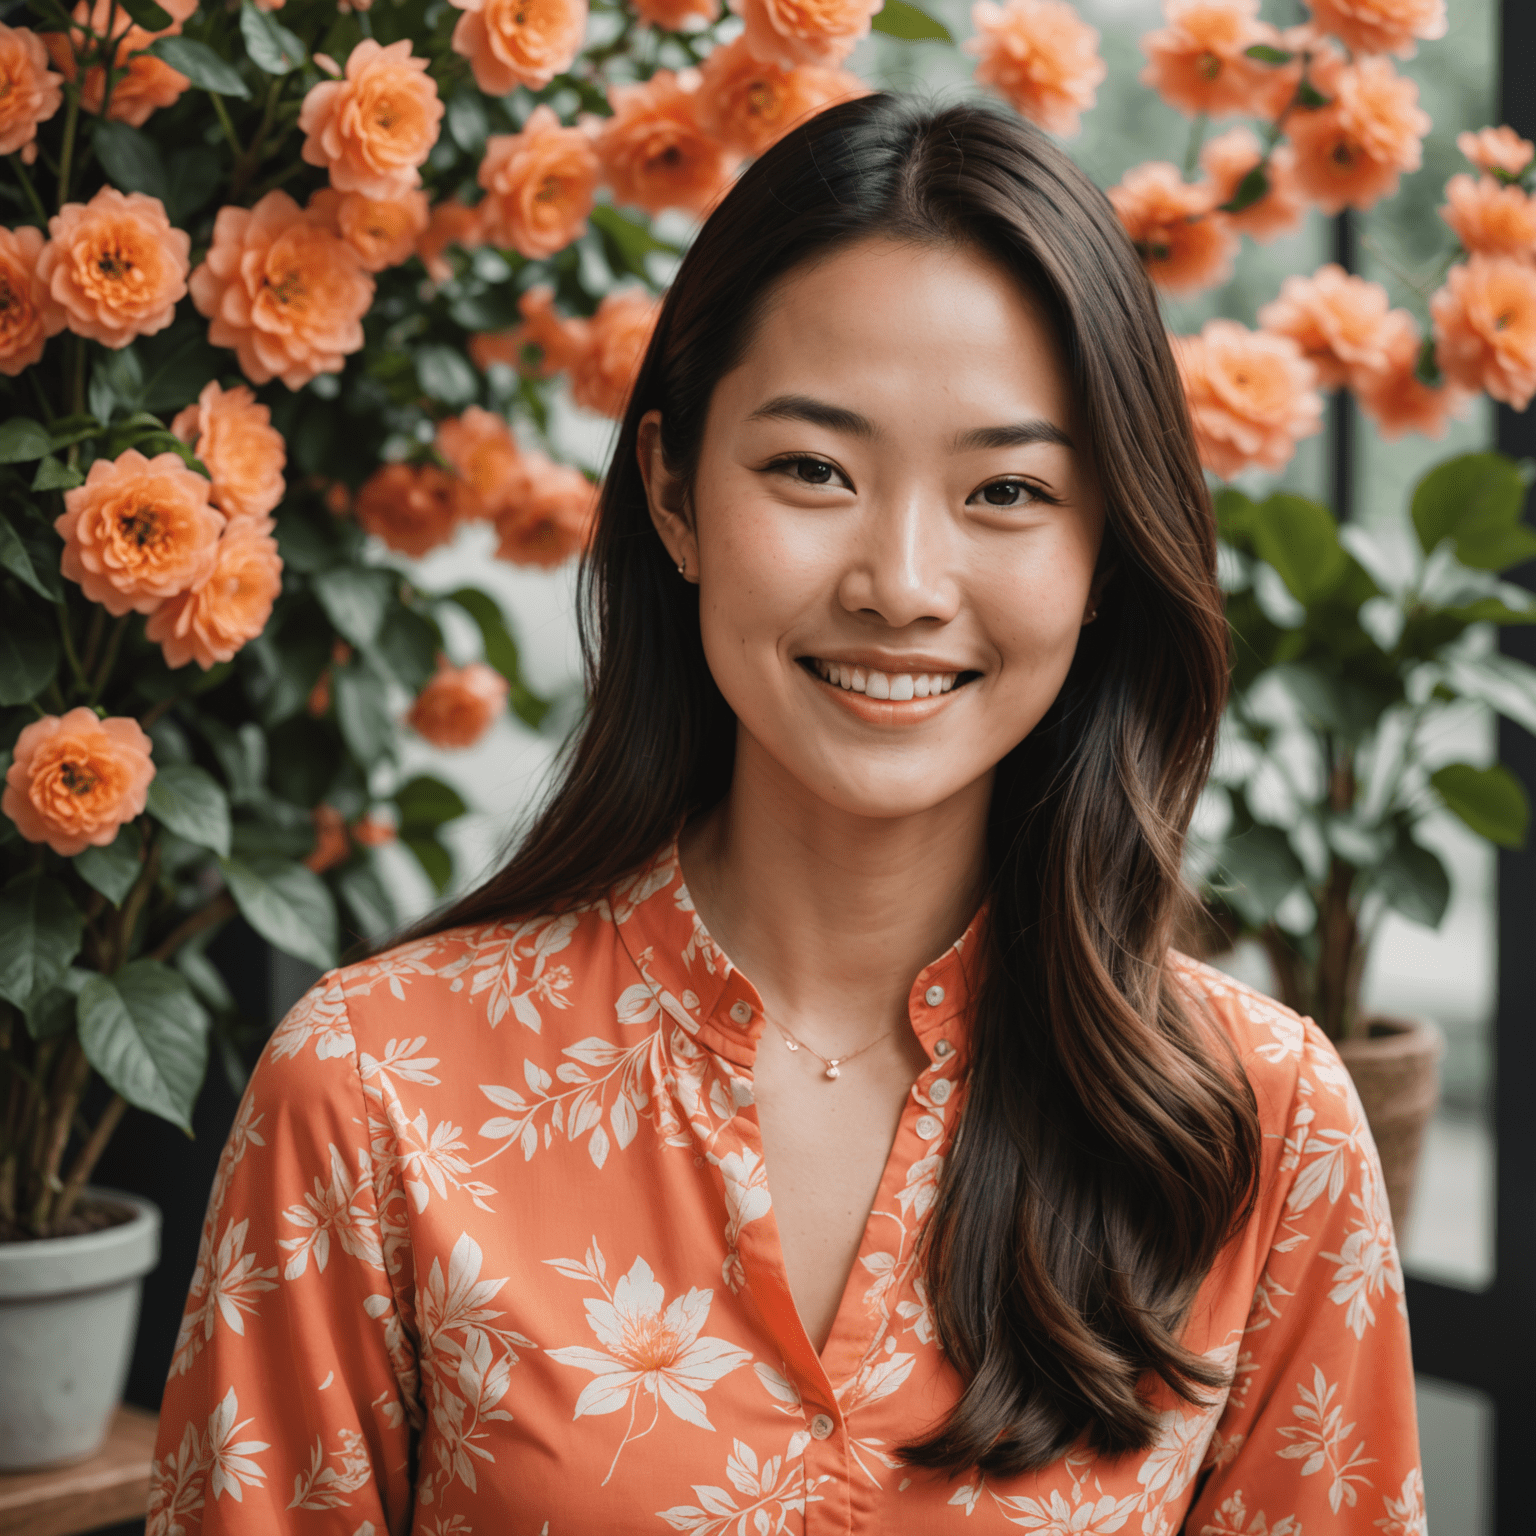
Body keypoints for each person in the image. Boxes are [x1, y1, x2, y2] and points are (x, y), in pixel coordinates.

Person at [150, 95, 1423, 1535]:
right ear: (675, 494)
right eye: (813, 469)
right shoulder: (373, 1094)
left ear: (1106, 555)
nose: (901, 579)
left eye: (1007, 489)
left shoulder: (1262, 1127)